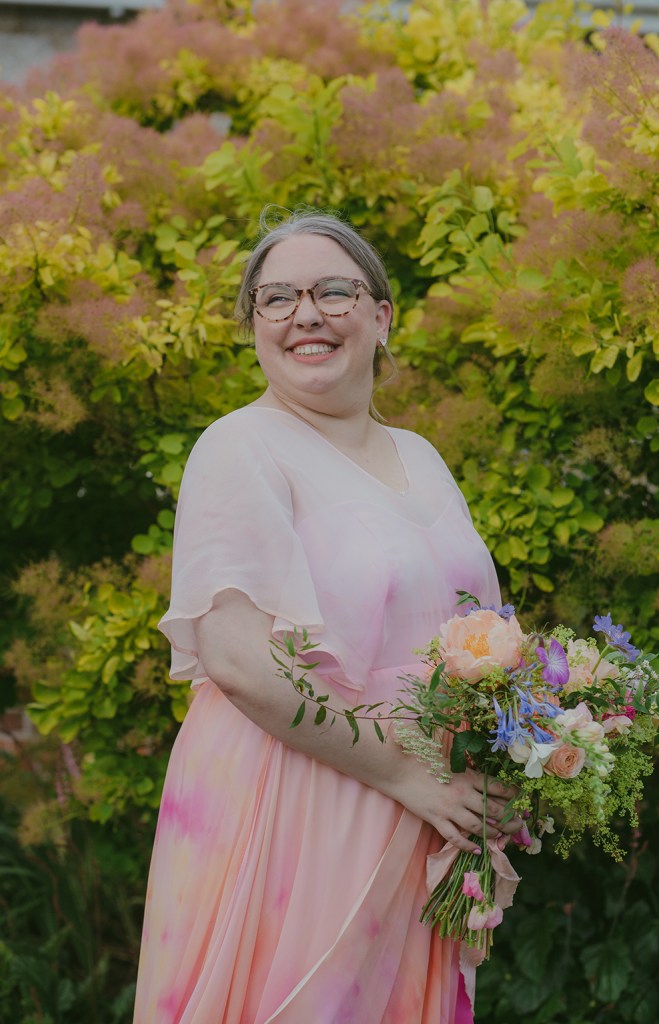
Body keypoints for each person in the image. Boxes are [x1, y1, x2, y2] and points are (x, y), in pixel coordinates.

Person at [132, 210, 522, 1024]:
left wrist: (506, 761)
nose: (304, 314)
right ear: (253, 330)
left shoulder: (420, 455)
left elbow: (473, 639)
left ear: (381, 316)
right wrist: (406, 774)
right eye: (275, 298)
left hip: (424, 803)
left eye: (332, 290)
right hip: (297, 798)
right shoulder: (240, 446)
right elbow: (237, 657)